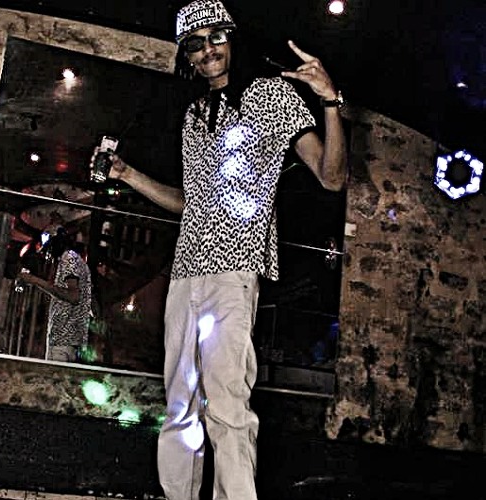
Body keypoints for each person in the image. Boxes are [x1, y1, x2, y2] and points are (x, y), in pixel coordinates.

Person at [93, 0, 347, 497]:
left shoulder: (272, 96)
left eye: (216, 37)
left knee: (227, 403)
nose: (207, 49)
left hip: (235, 267)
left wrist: (330, 101)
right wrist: (127, 175)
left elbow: (332, 177)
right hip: (185, 270)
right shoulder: (193, 116)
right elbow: (190, 203)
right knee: (179, 404)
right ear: (186, 55)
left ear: (232, 39)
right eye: (194, 43)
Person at [18, 229, 92, 362]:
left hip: (63, 341)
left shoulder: (69, 258)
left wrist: (34, 280)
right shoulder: (75, 261)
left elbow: (73, 297)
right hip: (67, 340)